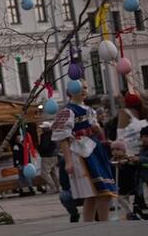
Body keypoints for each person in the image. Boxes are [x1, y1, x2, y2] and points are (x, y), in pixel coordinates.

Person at [52, 85, 117, 223]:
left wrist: (98, 130)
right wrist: (68, 160)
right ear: (70, 91)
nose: (83, 91)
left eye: (85, 88)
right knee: (98, 192)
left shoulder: (90, 110)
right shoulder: (67, 111)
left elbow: (98, 132)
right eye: (80, 88)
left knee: (93, 194)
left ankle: (90, 225)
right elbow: (63, 137)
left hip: (95, 149)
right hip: (81, 152)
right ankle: (101, 225)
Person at [37, 121, 60, 193]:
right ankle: (58, 187)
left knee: (44, 174)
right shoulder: (54, 134)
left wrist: (39, 149)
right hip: (54, 155)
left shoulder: (45, 136)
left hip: (47, 156)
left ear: (46, 129)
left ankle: (53, 187)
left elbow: (44, 146)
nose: (42, 129)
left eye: (43, 128)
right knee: (53, 173)